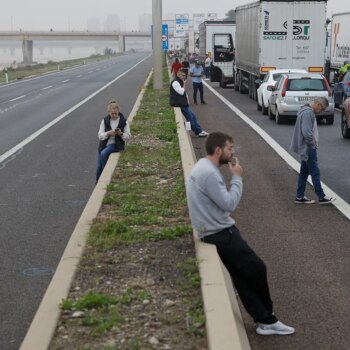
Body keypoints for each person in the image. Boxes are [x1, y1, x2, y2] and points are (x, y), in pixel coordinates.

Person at [186, 132, 295, 336]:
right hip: (220, 232)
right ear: (218, 150)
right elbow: (229, 204)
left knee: (243, 276)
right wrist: (237, 178)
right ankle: (267, 319)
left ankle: (265, 319)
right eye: (229, 148)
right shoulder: (209, 173)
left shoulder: (203, 166)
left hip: (211, 230)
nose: (232, 152)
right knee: (257, 269)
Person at [290, 97, 334, 204]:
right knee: (315, 172)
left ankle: (300, 196)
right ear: (318, 104)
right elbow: (306, 133)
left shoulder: (304, 111)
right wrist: (312, 144)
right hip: (308, 148)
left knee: (304, 173)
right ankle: (321, 196)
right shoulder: (308, 113)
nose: (322, 111)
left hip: (305, 147)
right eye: (322, 108)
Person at [96, 100, 131, 182]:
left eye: (116, 113)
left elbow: (128, 136)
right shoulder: (104, 121)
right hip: (104, 144)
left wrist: (121, 133)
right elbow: (100, 136)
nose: (114, 115)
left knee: (104, 154)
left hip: (115, 144)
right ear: (109, 112)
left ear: (118, 111)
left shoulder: (123, 121)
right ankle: (97, 182)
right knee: (98, 167)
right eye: (112, 114)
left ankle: (106, 175)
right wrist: (108, 133)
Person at [169, 68, 208, 137]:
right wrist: (184, 84)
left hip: (184, 103)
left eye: (184, 75)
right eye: (182, 75)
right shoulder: (175, 82)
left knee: (192, 116)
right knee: (190, 118)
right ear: (178, 74)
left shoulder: (179, 81)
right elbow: (181, 92)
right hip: (180, 104)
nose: (183, 77)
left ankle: (198, 131)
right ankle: (198, 132)